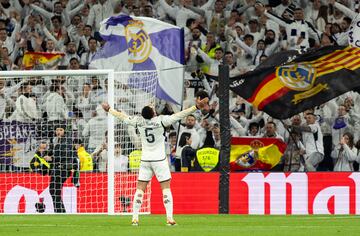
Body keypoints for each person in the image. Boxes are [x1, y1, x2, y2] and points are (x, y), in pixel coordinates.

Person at [102, 93, 209, 226]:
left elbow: (123, 117)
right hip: (159, 159)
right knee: (165, 188)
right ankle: (169, 218)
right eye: (152, 108)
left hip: (145, 159)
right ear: (153, 114)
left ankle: (135, 218)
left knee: (140, 189)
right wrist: (195, 107)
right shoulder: (161, 120)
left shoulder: (138, 121)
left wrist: (109, 110)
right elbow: (179, 115)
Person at [49, 123, 79, 213]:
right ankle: (61, 211)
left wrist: (52, 158)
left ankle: (59, 211)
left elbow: (66, 155)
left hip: (64, 168)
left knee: (54, 189)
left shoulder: (67, 141)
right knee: (54, 190)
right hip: (57, 168)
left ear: (64, 131)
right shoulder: (55, 140)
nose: (58, 132)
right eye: (57, 130)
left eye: (61, 130)